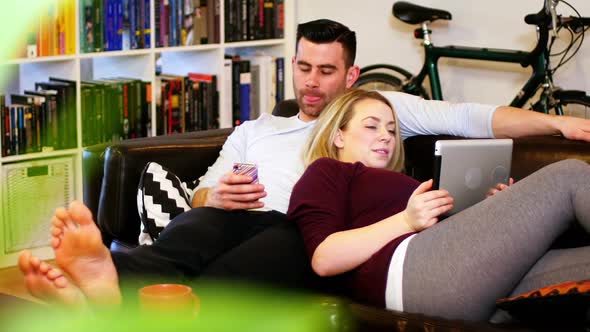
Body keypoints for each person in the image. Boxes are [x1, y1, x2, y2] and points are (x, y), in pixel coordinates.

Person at [18, 18, 590, 307]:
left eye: (325, 71)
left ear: (351, 77)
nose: (311, 84)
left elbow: (467, 116)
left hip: (309, 231)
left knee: (280, 234)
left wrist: (558, 123)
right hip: (246, 218)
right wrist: (211, 195)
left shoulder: (372, 114)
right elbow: (206, 189)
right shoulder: (255, 130)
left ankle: (146, 302)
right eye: (302, 68)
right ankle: (112, 278)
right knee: (206, 223)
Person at [287, 88, 590, 322]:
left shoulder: (401, 180)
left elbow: (447, 237)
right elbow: (324, 258)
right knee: (568, 175)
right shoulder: (327, 170)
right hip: (409, 277)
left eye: (392, 130)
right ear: (339, 135)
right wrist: (406, 221)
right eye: (372, 126)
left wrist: (496, 212)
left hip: (457, 273)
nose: (386, 137)